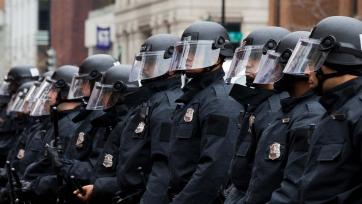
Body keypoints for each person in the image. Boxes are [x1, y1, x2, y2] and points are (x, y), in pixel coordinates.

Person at [237, 31, 326, 204]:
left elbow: (292, 188)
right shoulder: (286, 109)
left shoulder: (308, 115)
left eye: (277, 65)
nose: (271, 71)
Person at [167, 21, 242, 204]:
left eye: (196, 51)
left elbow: (214, 168)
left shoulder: (221, 101)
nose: (189, 57)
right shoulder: (195, 96)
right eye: (187, 51)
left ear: (218, 55)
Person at [297, 16, 362, 203]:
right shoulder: (335, 108)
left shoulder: (357, 111)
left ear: (338, 60)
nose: (306, 71)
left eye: (314, 61)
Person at [224, 26, 290, 204]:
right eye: (246, 57)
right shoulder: (258, 103)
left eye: (254, 57)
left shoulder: (277, 108)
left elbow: (264, 179)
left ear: (276, 61)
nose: (247, 63)